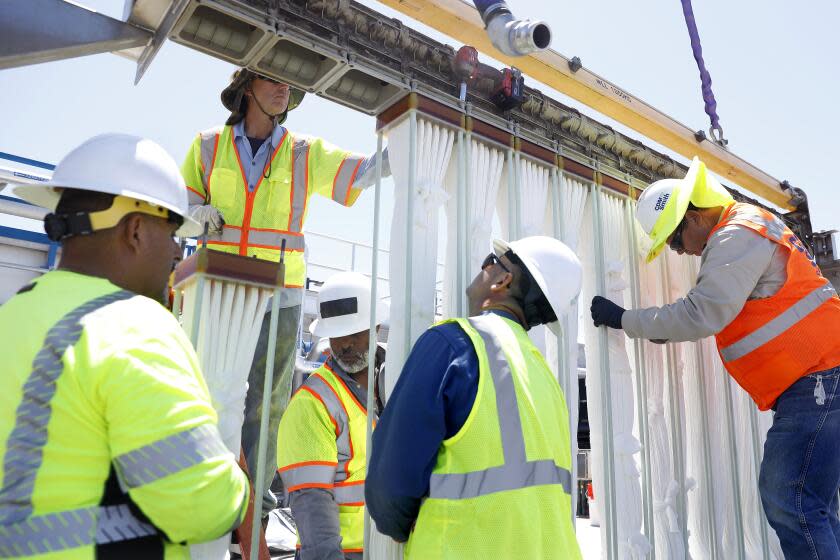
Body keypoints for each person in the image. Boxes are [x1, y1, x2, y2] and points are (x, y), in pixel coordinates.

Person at [0, 134, 250, 558]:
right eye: (172, 232)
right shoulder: (136, 325)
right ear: (135, 230)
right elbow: (201, 506)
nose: (177, 250)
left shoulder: (14, 316)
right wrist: (238, 487)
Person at [590, 157, 840, 559]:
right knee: (813, 507)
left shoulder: (734, 235)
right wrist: (662, 328)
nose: (680, 252)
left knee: (788, 498)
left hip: (817, 381)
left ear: (693, 217)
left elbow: (702, 313)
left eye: (673, 241)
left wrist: (625, 319)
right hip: (819, 380)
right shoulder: (748, 227)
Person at [181, 69, 390, 517]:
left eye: (290, 83)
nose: (285, 88)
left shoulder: (304, 152)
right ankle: (202, 491)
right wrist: (197, 213)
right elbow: (178, 208)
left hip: (281, 293)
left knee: (267, 401)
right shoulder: (206, 145)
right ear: (246, 89)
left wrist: (408, 143)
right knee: (205, 389)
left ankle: (255, 505)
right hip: (220, 288)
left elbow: (363, 173)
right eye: (274, 79)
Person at [366, 236, 583, 559]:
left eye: (490, 261)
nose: (483, 268)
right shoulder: (544, 376)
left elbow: (390, 489)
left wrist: (401, 528)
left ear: (503, 279)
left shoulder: (453, 344)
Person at [277, 271, 387, 559]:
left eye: (354, 331)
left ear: (377, 327)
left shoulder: (400, 380)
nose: (344, 344)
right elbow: (312, 501)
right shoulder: (313, 403)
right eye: (336, 334)